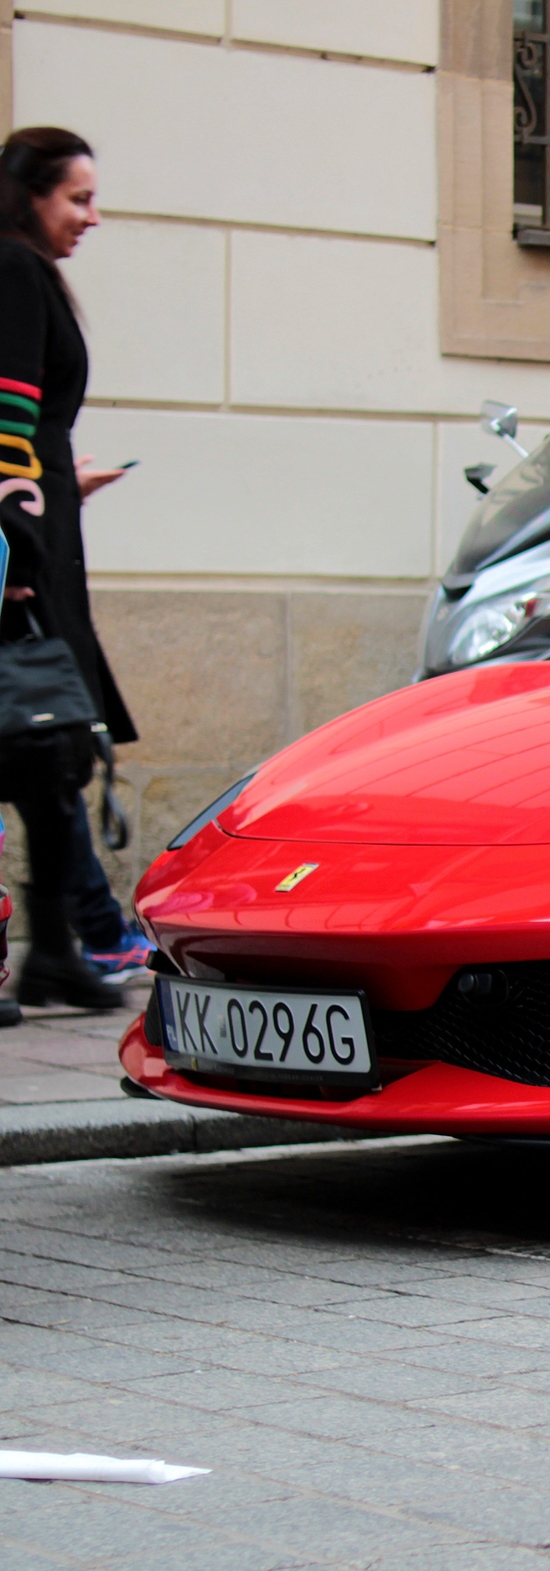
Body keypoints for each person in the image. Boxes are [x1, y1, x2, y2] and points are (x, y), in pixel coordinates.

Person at [0, 128, 134, 1011]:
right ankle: (54, 943)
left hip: (44, 527)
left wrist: (59, 481)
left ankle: (57, 947)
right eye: (75, 198)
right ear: (31, 194)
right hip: (26, 552)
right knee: (35, 737)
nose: (90, 215)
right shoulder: (13, 269)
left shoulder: (25, 269)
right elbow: (7, 405)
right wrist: (15, 539)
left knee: (47, 749)